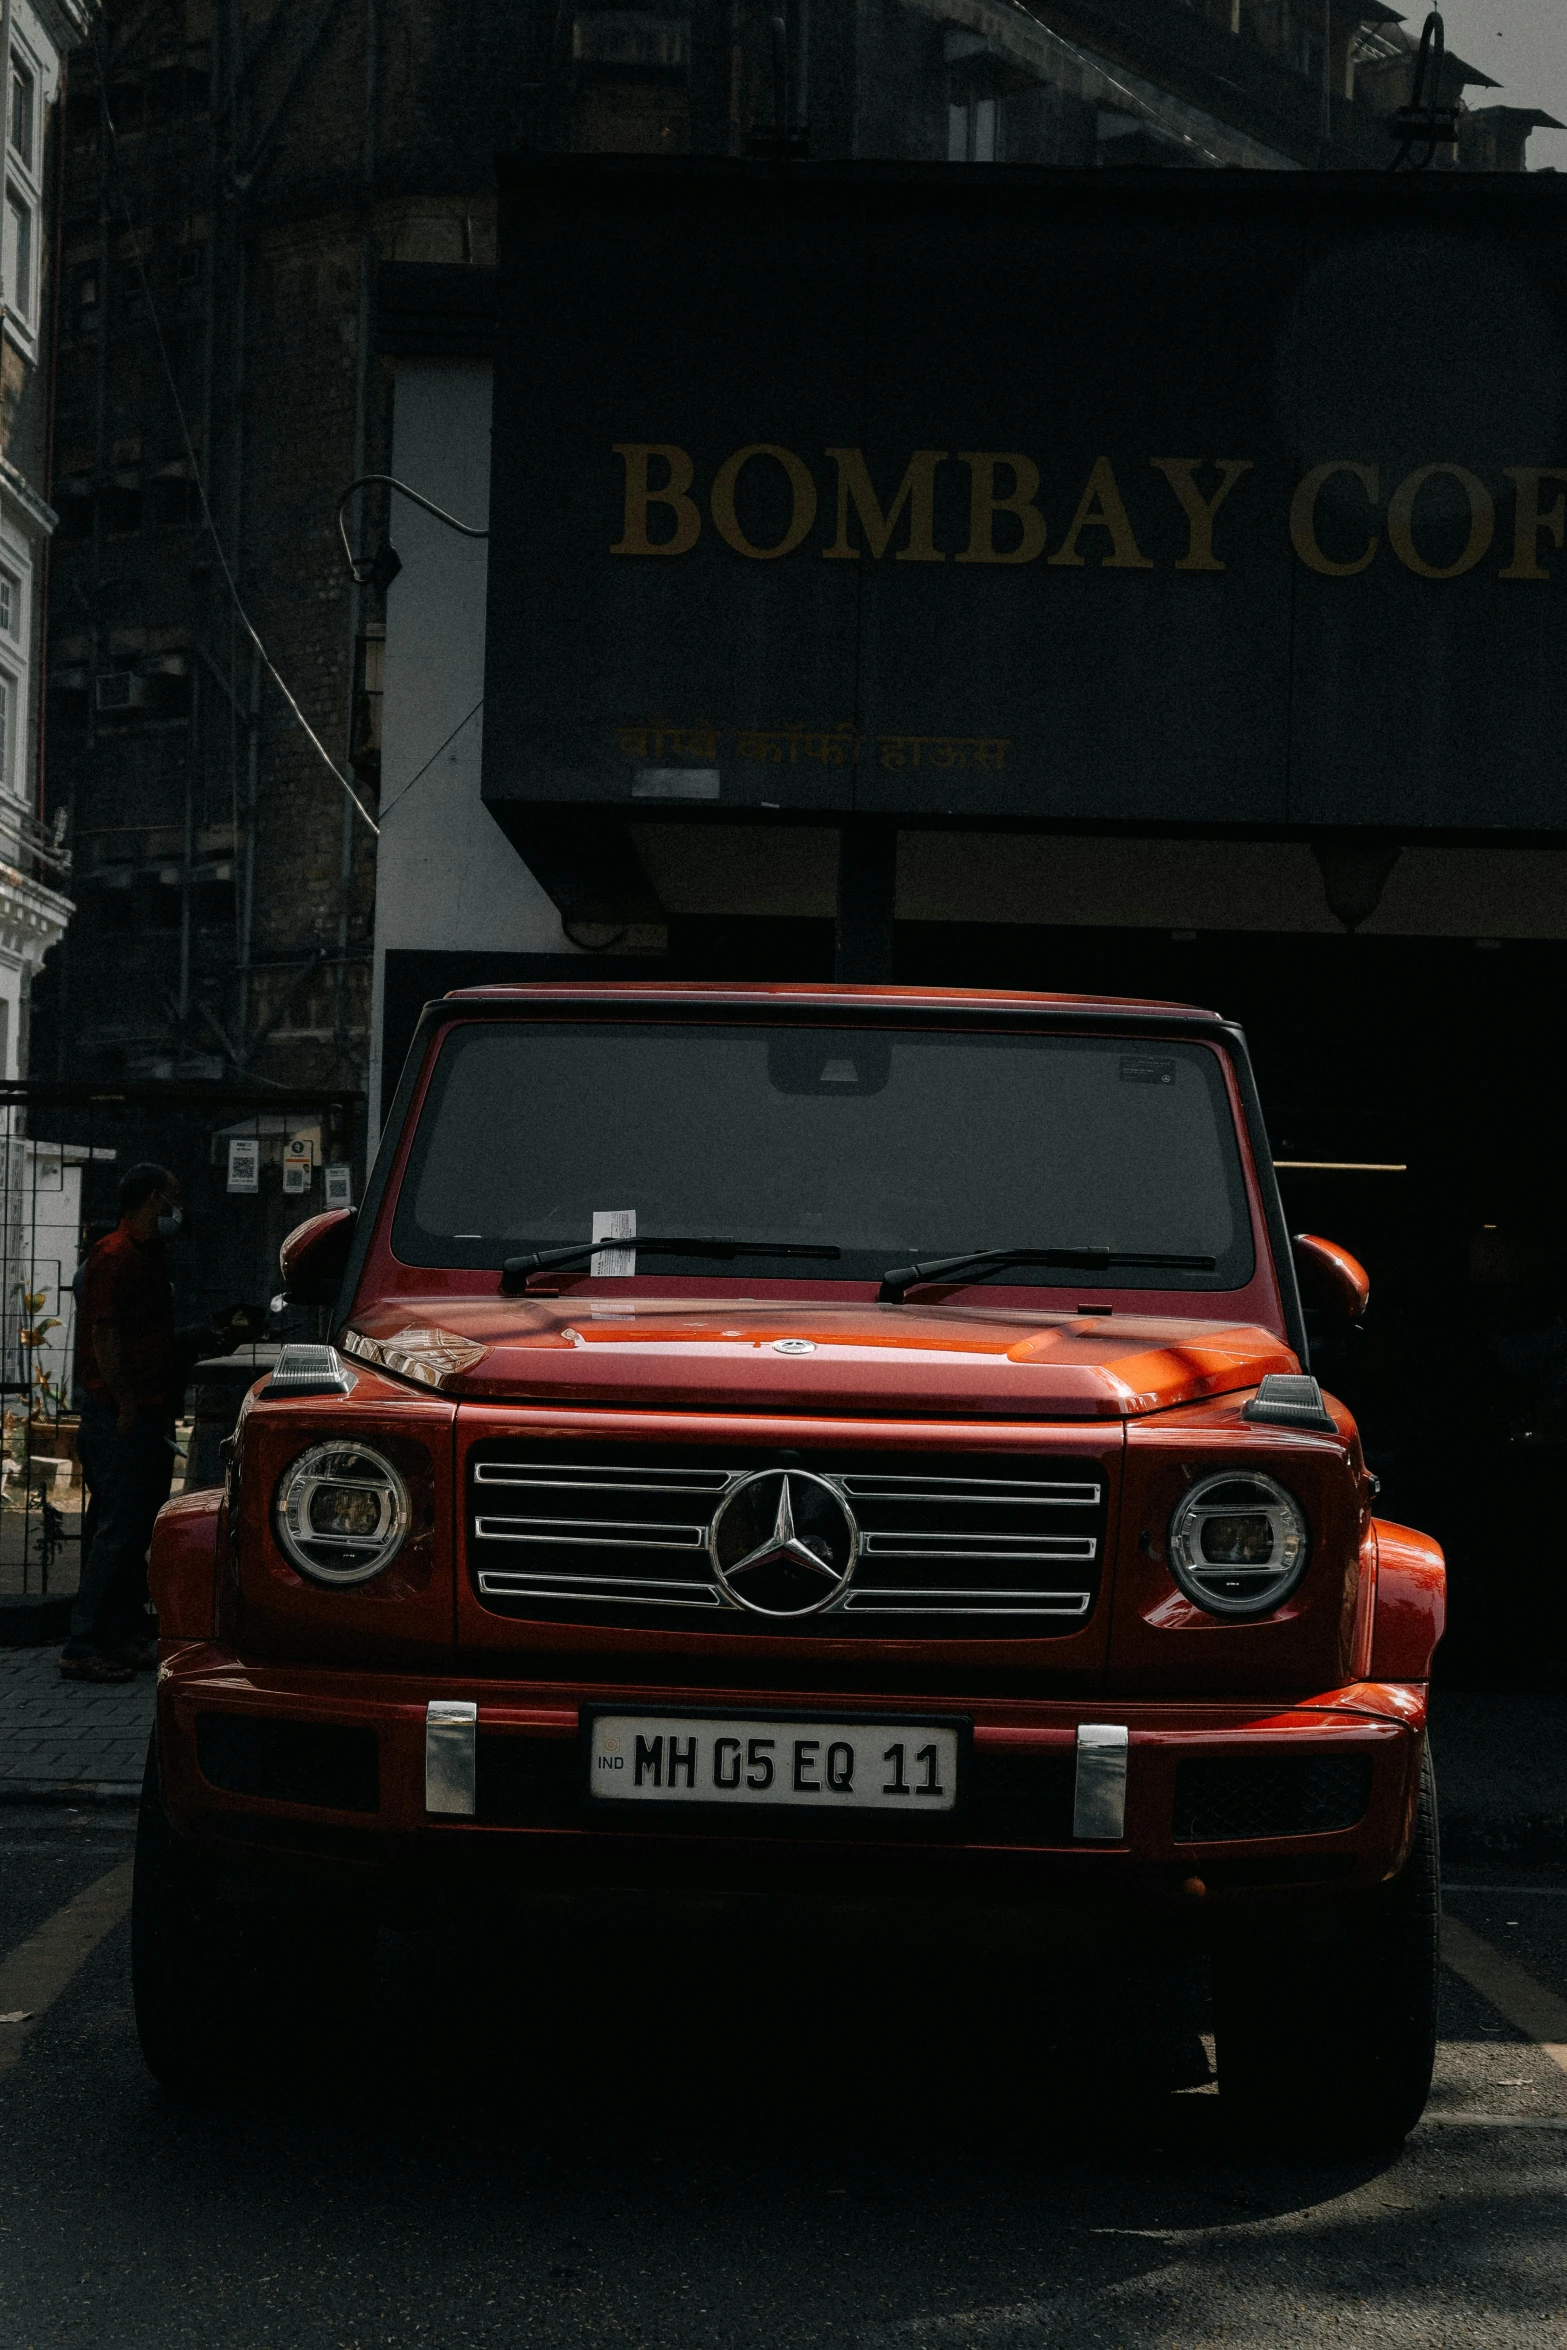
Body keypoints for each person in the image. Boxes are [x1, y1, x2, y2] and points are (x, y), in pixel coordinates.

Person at [61, 1164, 211, 1683]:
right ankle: (85, 1643)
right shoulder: (113, 1256)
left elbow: (149, 1337)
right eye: (171, 1198)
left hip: (144, 1407)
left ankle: (118, 1633)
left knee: (130, 1528)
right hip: (120, 1414)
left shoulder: (147, 1256)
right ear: (151, 1199)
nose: (177, 1208)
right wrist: (125, 1403)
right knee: (118, 1531)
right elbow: (106, 1338)